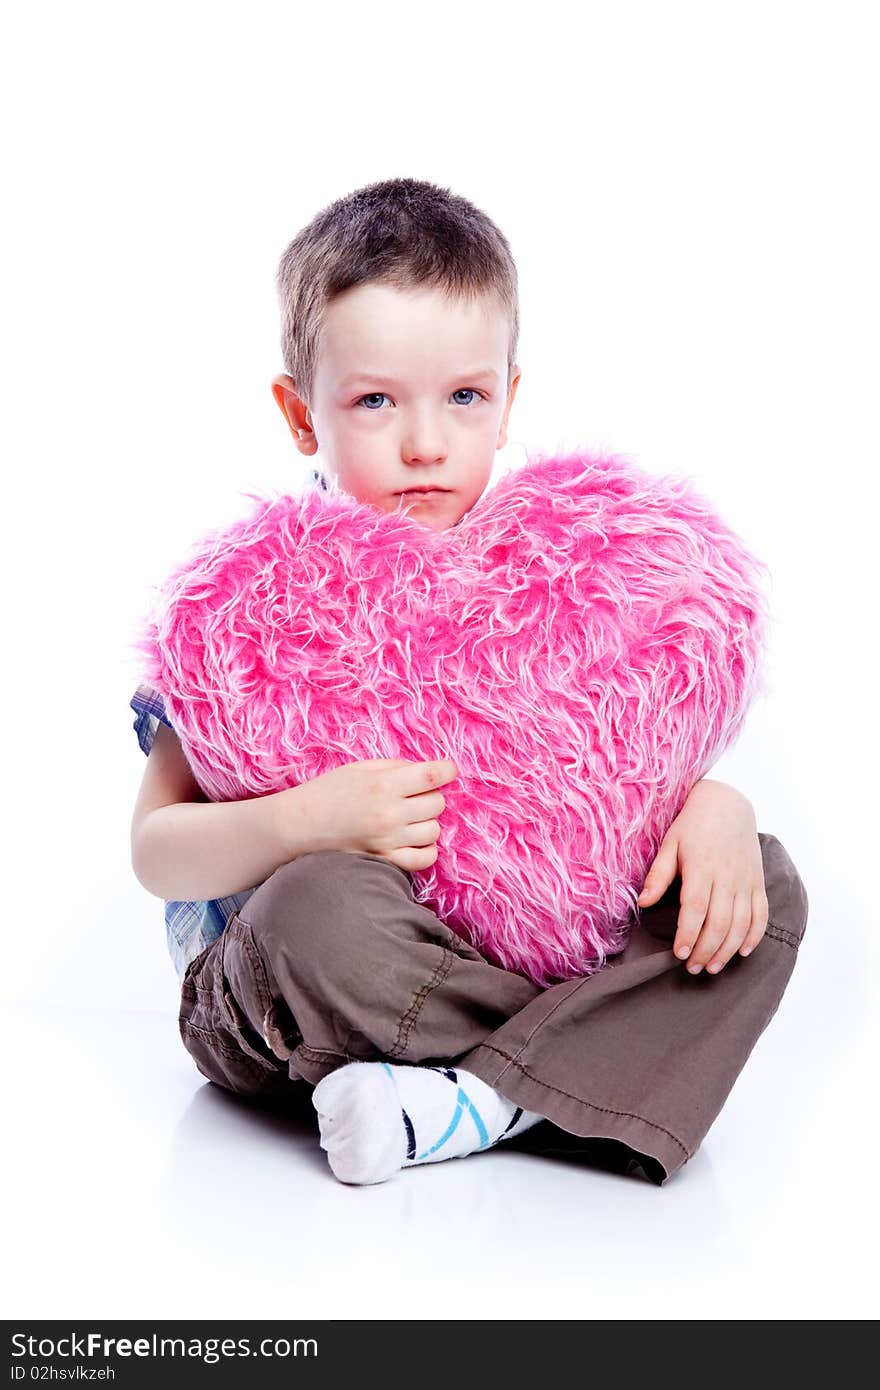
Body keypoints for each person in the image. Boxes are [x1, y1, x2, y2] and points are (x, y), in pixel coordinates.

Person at [130, 176, 809, 1187]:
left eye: (463, 397)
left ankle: (466, 1107)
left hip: (514, 960)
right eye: (372, 402)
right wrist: (305, 819)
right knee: (314, 907)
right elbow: (157, 852)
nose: (424, 442)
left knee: (760, 888)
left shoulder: (570, 575)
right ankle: (564, 1081)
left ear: (508, 400)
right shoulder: (258, 604)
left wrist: (712, 802)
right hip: (294, 996)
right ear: (299, 413)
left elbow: (620, 781)